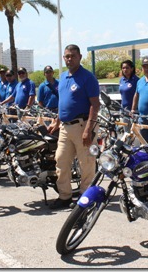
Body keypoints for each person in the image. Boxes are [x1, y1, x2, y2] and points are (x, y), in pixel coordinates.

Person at [47, 44, 100, 210]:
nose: (69, 59)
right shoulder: (63, 77)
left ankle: (86, 198)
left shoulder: (87, 77)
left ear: (80, 57)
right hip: (65, 127)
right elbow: (63, 103)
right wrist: (56, 121)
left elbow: (95, 105)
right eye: (67, 56)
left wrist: (88, 129)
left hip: (83, 125)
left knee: (87, 164)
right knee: (61, 161)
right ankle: (65, 196)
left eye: (73, 56)